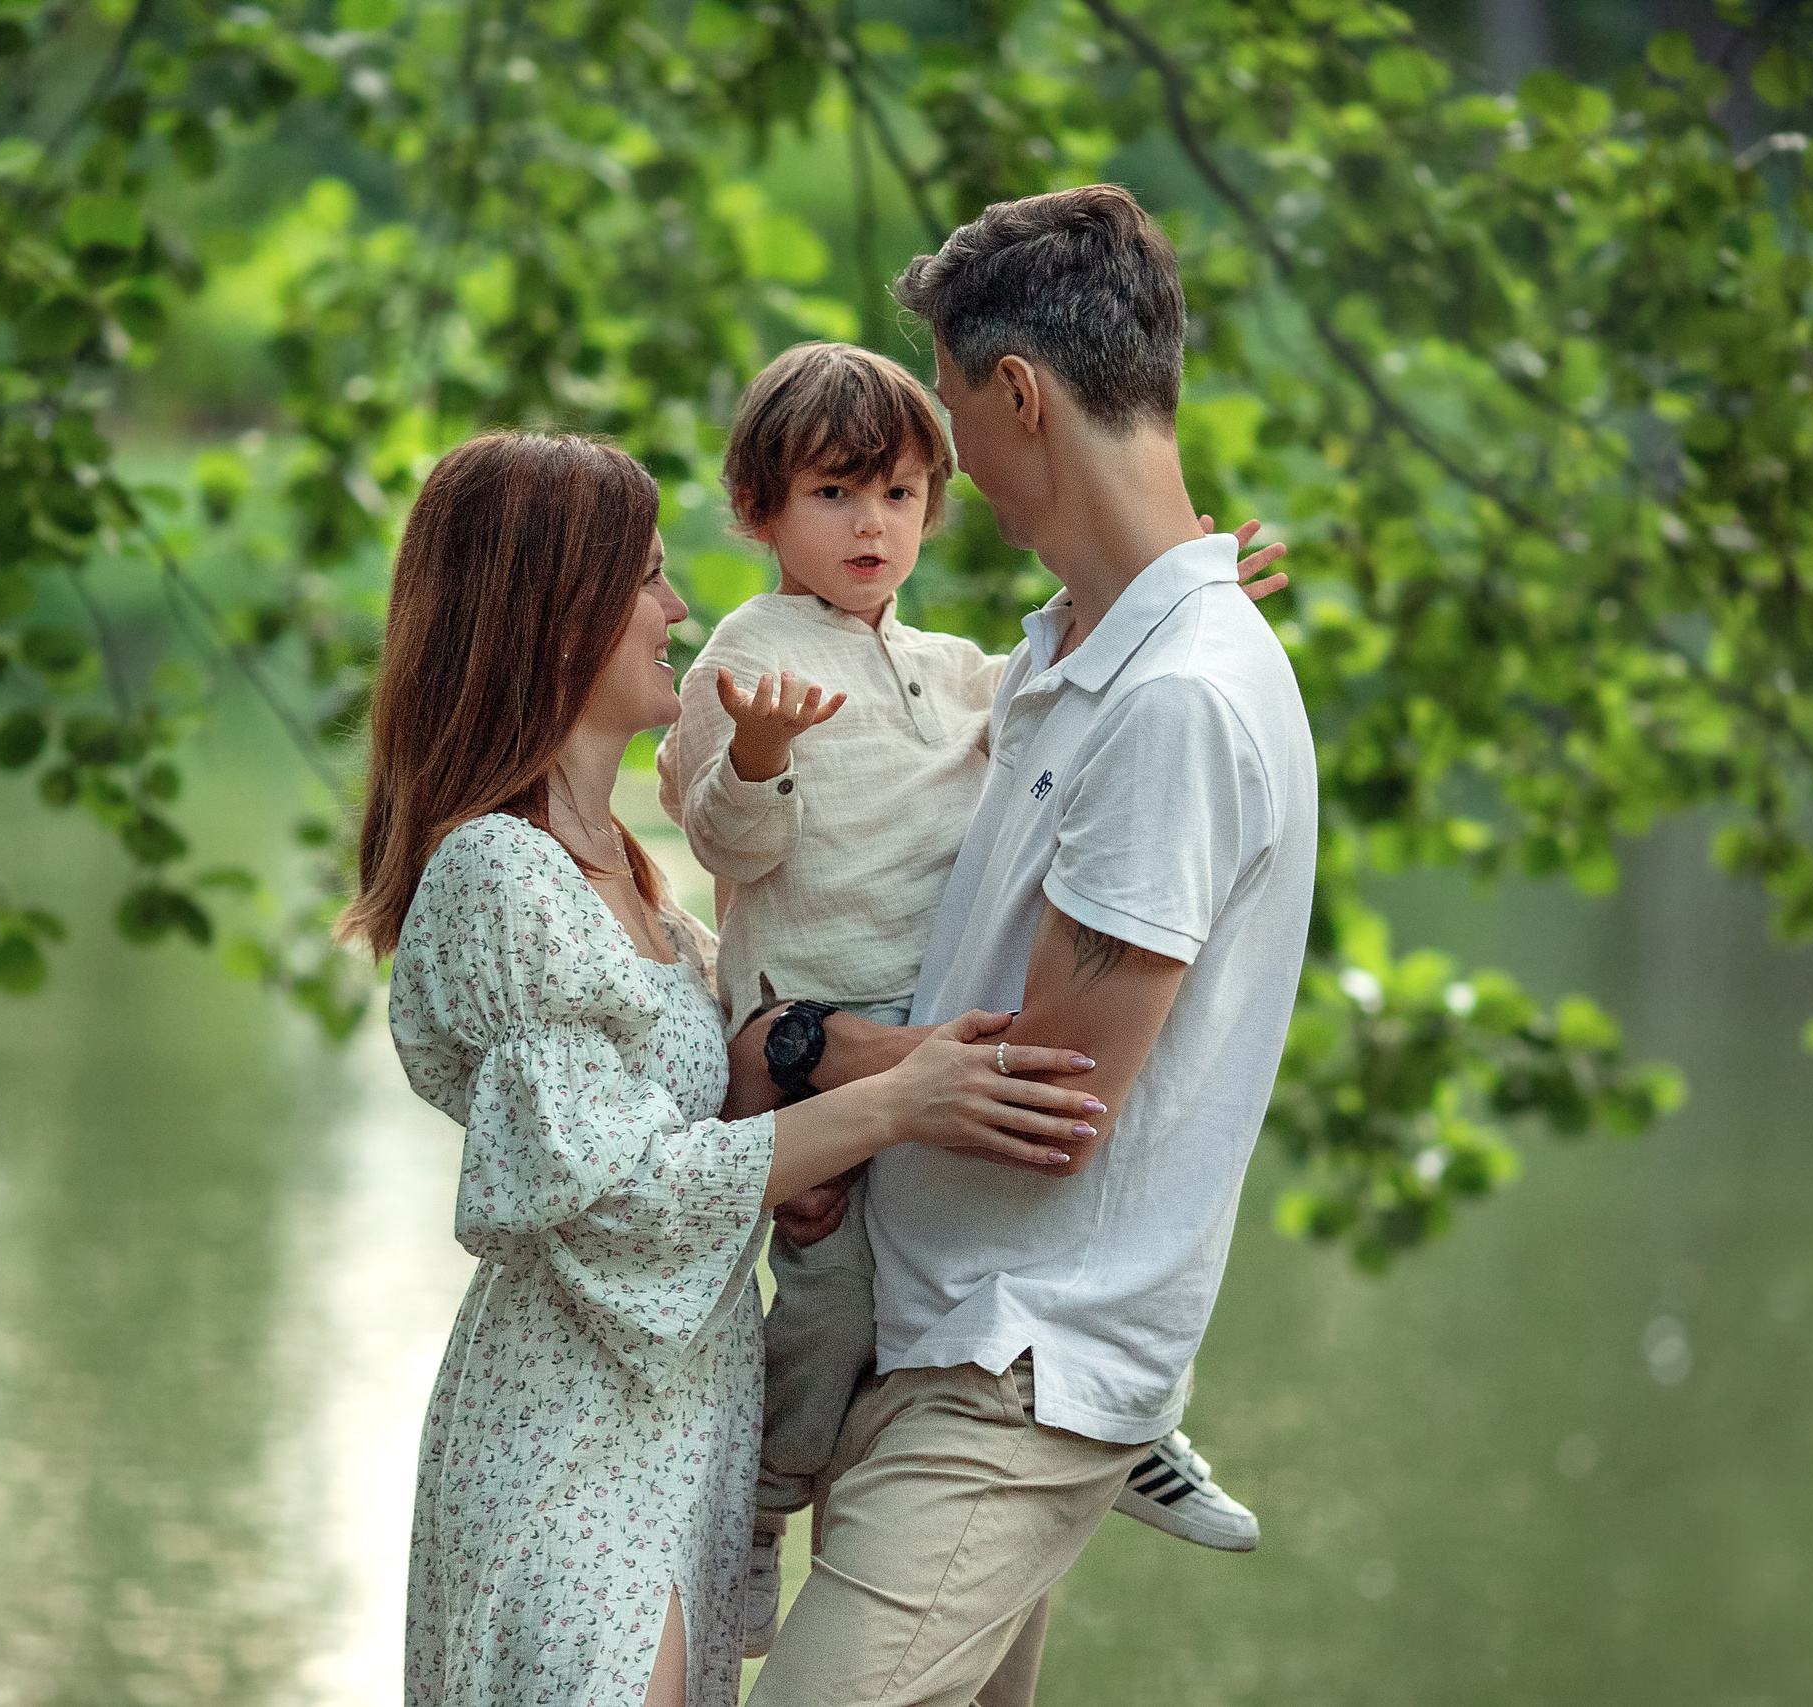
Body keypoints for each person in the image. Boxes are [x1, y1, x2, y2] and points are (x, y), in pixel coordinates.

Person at [341, 430, 1110, 1707]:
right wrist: (891, 1105)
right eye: (643, 580)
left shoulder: (629, 874)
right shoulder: (499, 871)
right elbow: (618, 1191)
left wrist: (806, 1102)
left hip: (681, 1432)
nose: (679, 609)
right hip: (572, 1441)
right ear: (551, 613)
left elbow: (710, 1098)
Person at [738, 184, 1320, 1707]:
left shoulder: (1180, 694)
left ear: (1018, 394)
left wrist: (791, 1059)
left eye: (948, 409)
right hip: (925, 1330)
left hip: (1010, 1375)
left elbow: (1045, 1100)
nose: (947, 462)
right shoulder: (1072, 646)